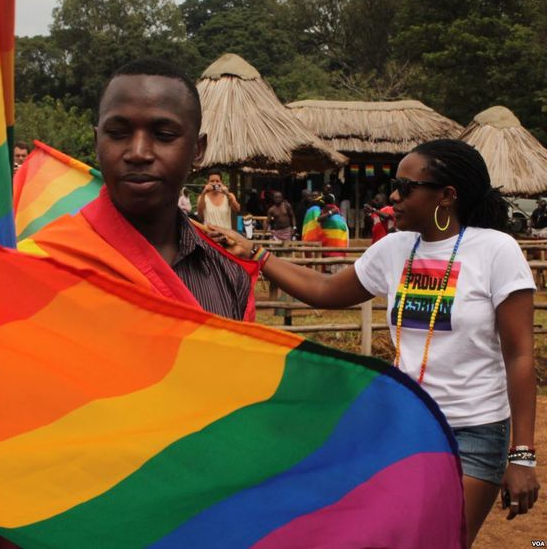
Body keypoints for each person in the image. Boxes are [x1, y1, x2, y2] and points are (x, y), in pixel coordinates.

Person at [0, 57, 261, 549]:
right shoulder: (41, 269)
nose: (138, 152)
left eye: (163, 134)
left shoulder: (228, 277)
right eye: (119, 133)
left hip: (198, 522)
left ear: (197, 150)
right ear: (97, 140)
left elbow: (239, 420)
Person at [210, 139, 540, 548]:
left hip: (474, 433)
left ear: (446, 196)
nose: (394, 196)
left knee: (441, 541)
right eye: (394, 184)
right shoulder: (394, 249)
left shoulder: (495, 251)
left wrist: (522, 454)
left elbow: (520, 354)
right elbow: (325, 289)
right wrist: (258, 254)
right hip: (407, 425)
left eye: (407, 186)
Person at [302, 192, 349, 257]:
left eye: (315, 196)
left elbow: (318, 219)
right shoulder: (336, 212)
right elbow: (318, 219)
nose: (314, 198)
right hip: (337, 248)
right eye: (312, 196)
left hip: (330, 248)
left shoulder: (325, 211)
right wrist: (331, 212)